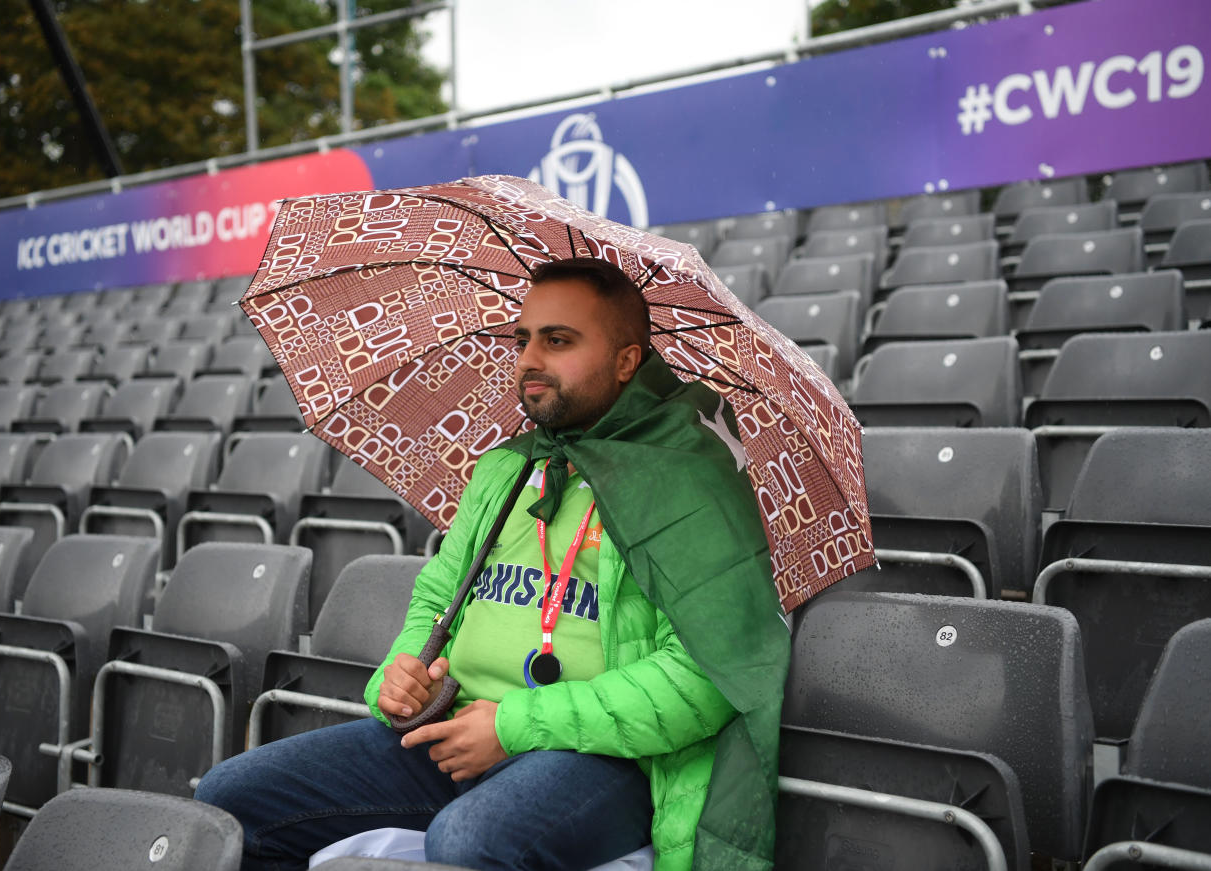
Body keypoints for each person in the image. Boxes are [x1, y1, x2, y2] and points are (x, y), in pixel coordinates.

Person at [195, 257, 789, 871]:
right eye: (522, 339)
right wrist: (401, 678)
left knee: (468, 842)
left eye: (558, 340)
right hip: (451, 732)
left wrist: (513, 726)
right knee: (231, 799)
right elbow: (436, 600)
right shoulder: (508, 468)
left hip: (603, 759)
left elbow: (706, 679)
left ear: (626, 362)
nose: (529, 358)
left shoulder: (688, 484)